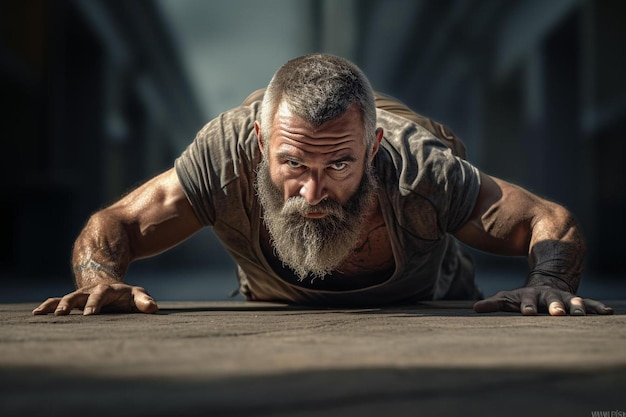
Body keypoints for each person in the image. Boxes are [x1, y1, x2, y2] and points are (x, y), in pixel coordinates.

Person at [33, 53, 613, 316]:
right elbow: (115, 223)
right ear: (263, 148)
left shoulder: (419, 168)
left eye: (338, 166)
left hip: (431, 289)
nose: (311, 193)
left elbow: (547, 219)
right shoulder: (227, 155)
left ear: (373, 151)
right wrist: (99, 278)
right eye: (293, 166)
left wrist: (550, 283)